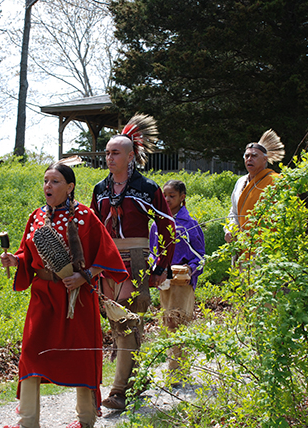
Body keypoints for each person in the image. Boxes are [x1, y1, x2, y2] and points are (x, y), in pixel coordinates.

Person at [0, 161, 128, 428]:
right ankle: (28, 421)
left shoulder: (85, 216)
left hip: (77, 299)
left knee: (80, 356)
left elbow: (105, 256)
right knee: (31, 354)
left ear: (70, 187)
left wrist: (84, 276)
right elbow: (28, 253)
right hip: (43, 296)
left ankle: (85, 419)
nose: (48, 186)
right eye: (46, 181)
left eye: (55, 181)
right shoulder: (36, 217)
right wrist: (16, 260)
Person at [90, 114, 175, 410]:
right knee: (120, 325)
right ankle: (136, 382)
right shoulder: (100, 189)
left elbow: (167, 227)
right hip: (107, 261)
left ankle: (118, 391)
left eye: (115, 153)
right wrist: (91, 265)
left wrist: (162, 264)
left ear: (130, 156)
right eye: (107, 153)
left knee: (127, 322)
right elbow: (93, 228)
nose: (109, 158)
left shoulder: (148, 188)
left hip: (136, 260)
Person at [149, 180, 205, 374]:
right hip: (164, 281)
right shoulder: (157, 225)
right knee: (167, 322)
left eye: (172, 195)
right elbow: (152, 251)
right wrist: (154, 267)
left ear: (183, 197)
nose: (167, 199)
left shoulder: (190, 225)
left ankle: (177, 370)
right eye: (164, 195)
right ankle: (177, 367)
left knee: (177, 321)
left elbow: (200, 255)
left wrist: (190, 270)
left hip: (182, 282)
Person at [225, 129, 285, 244]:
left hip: (266, 244)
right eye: (247, 156)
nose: (249, 159)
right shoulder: (240, 182)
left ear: (264, 159)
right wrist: (230, 229)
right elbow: (234, 212)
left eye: (254, 156)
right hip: (242, 244)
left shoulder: (276, 181)